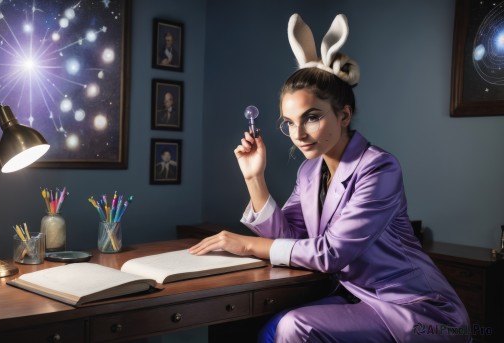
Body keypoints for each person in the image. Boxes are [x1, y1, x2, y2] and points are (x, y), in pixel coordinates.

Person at [189, 13, 470, 343]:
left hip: (417, 309)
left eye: (311, 118)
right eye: (290, 122)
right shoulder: (309, 171)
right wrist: (255, 178)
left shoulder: (379, 168)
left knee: (294, 327)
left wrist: (246, 242)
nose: (298, 134)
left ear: (344, 115)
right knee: (265, 324)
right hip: (358, 297)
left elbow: (330, 253)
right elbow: (291, 236)